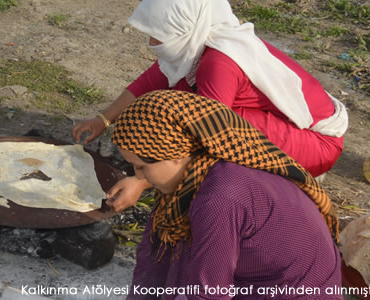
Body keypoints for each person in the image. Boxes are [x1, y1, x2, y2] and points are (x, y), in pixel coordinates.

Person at [71, 0, 348, 212]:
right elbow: (153, 79)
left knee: (218, 128)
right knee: (175, 98)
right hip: (284, 127)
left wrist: (143, 181)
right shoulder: (199, 42)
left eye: (160, 36)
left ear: (188, 28)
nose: (153, 43)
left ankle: (293, 173)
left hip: (318, 144)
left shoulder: (219, 62)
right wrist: (103, 119)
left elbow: (210, 135)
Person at [114, 90, 341, 299]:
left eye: (141, 167)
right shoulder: (192, 177)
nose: (139, 177)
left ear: (176, 154)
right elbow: (155, 256)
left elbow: (209, 293)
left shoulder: (221, 196)